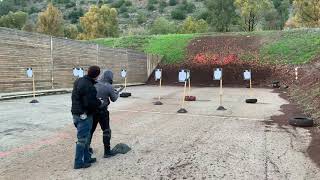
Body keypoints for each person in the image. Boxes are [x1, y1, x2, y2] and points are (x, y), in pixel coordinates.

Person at [71, 66, 102, 169]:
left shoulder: (79, 81)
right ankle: (78, 162)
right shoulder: (89, 86)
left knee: (86, 137)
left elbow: (77, 97)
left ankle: (87, 157)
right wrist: (99, 102)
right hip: (84, 115)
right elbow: (90, 103)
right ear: (97, 75)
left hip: (76, 113)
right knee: (82, 139)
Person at [89, 70, 124, 158]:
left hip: (91, 110)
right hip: (102, 112)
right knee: (106, 130)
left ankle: (87, 149)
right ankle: (107, 151)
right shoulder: (109, 86)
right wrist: (117, 92)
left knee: (90, 130)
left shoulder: (94, 83)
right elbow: (114, 99)